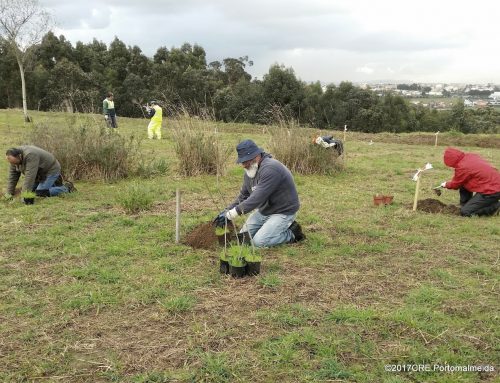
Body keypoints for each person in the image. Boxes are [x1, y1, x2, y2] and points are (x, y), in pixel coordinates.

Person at [214, 139, 305, 247]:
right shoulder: (250, 171)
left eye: (245, 161)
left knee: (259, 242)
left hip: (283, 211)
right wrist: (226, 211)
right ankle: (273, 229)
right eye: (242, 162)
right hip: (265, 210)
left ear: (256, 156)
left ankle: (291, 233)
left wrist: (232, 214)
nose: (243, 165)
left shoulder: (271, 169)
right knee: (243, 238)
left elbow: (257, 198)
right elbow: (244, 195)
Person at [440, 147, 500, 217]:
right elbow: (461, 182)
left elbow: (456, 184)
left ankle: (495, 207)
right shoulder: (470, 156)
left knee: (465, 212)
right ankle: (465, 204)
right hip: (493, 183)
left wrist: (445, 184)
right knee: (464, 183)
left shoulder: (462, 167)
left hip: (491, 191)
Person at [4, 146, 75, 203]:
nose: (14, 165)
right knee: (32, 190)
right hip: (39, 173)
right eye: (12, 163)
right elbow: (12, 177)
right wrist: (9, 193)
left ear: (19, 156)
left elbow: (29, 177)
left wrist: (24, 196)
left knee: (40, 192)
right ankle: (54, 184)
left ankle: (66, 188)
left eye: (15, 163)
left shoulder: (30, 155)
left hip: (50, 170)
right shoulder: (14, 159)